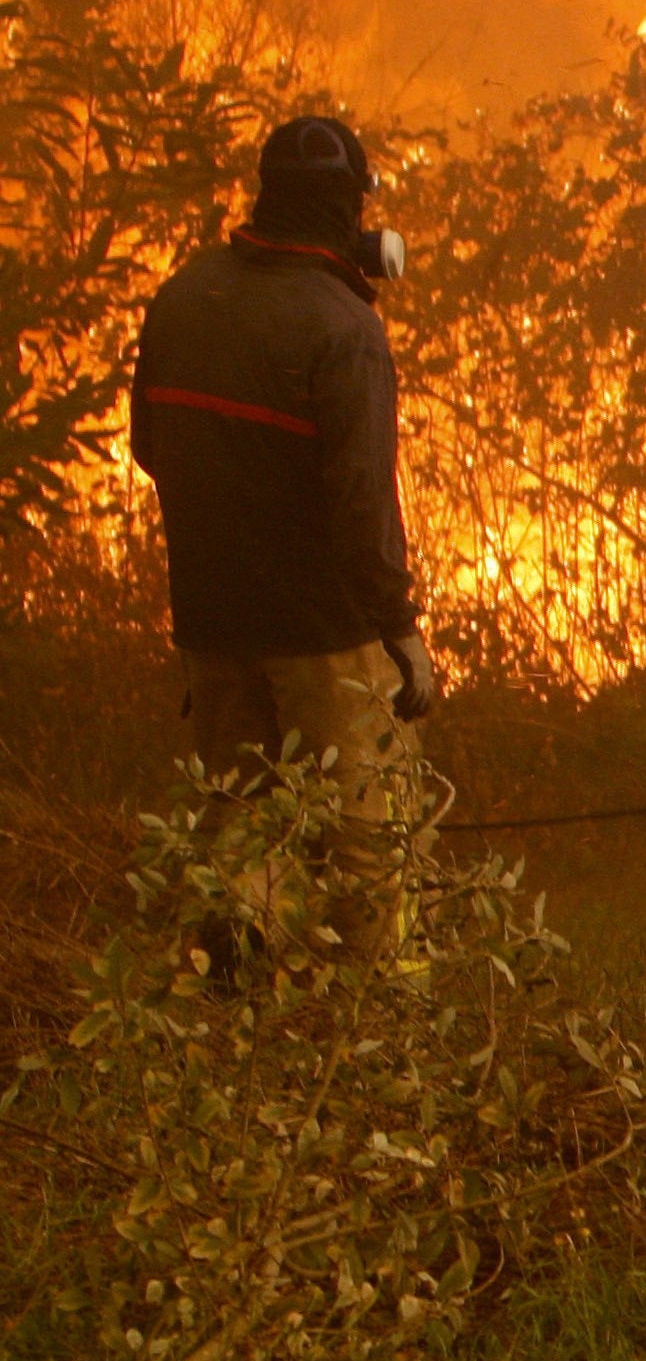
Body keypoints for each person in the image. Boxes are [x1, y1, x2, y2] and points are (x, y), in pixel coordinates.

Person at [128, 114, 435, 956]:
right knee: (368, 842)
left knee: (241, 824)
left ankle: (236, 1003)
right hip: (323, 635)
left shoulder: (183, 294)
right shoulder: (345, 329)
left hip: (212, 620)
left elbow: (148, 449)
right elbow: (363, 505)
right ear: (350, 207)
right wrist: (402, 633)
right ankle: (383, 1031)